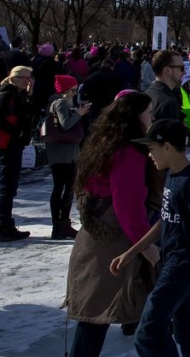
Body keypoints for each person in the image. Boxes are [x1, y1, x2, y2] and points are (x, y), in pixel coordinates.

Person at [63, 92, 163, 356]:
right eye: (149, 112)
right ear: (134, 117)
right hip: (113, 241)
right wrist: (145, 245)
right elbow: (128, 204)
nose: (153, 117)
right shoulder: (128, 152)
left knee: (96, 313)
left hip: (96, 237)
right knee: (99, 314)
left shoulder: (104, 143)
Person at [111, 119, 190, 357]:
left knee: (149, 332)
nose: (149, 155)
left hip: (183, 266)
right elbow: (165, 220)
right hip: (171, 261)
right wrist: (132, 252)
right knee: (187, 329)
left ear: (167, 146)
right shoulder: (171, 175)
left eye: (152, 149)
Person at [47, 75, 90, 240]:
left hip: (66, 153)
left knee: (66, 188)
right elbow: (65, 124)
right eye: (72, 89)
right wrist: (79, 114)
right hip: (62, 154)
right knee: (63, 188)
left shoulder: (62, 102)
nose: (75, 92)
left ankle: (62, 224)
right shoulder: (61, 102)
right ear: (65, 89)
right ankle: (59, 225)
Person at [0, 66, 36, 241]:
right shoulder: (7, 95)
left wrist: (29, 94)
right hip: (7, 145)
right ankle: (3, 225)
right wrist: (17, 132)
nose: (27, 81)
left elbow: (29, 114)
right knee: (6, 185)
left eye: (29, 78)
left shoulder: (19, 95)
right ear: (13, 78)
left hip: (14, 144)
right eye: (24, 77)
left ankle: (7, 223)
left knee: (10, 186)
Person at [146, 49, 185, 124]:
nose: (184, 72)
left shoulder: (146, 94)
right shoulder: (169, 103)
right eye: (181, 68)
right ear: (167, 71)